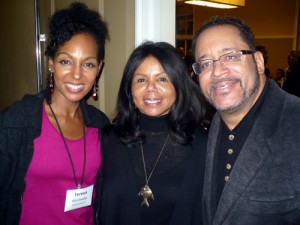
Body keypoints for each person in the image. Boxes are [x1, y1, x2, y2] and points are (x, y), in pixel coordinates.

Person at [0, 3, 109, 225]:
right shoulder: (16, 122)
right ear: (51, 63)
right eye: (66, 61)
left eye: (88, 64)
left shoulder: (101, 126)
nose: (76, 74)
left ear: (98, 69)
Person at [192, 16, 300, 225]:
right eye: (205, 63)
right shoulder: (213, 125)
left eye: (230, 56)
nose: (217, 72)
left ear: (258, 62)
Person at [99, 41, 207, 225]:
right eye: (141, 80)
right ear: (129, 89)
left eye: (162, 79)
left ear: (179, 86)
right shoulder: (108, 141)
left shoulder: (203, 145)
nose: (151, 88)